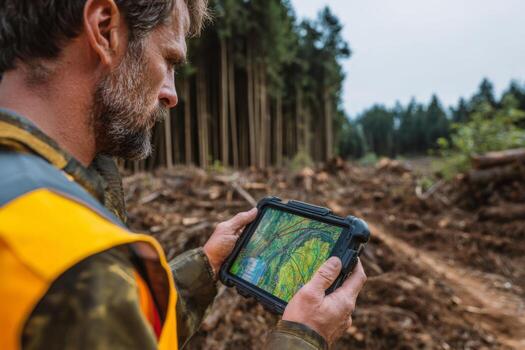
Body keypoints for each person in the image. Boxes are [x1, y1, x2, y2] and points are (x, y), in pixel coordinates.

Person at [0, 1, 367, 349]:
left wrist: (205, 266)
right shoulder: (82, 270)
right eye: (168, 59)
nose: (171, 94)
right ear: (103, 28)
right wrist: (303, 337)